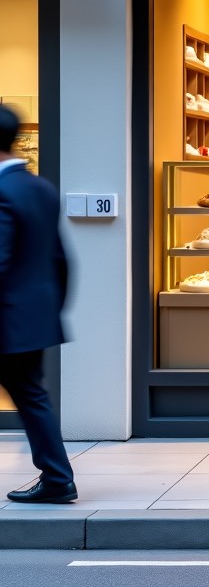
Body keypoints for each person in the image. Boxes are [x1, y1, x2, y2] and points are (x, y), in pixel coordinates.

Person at [0, 105, 77, 504]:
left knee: (31, 395)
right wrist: (50, 311)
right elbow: (61, 259)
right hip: (32, 318)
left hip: (7, 320)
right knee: (32, 395)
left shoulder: (2, 191)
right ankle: (57, 477)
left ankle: (58, 477)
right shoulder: (39, 187)